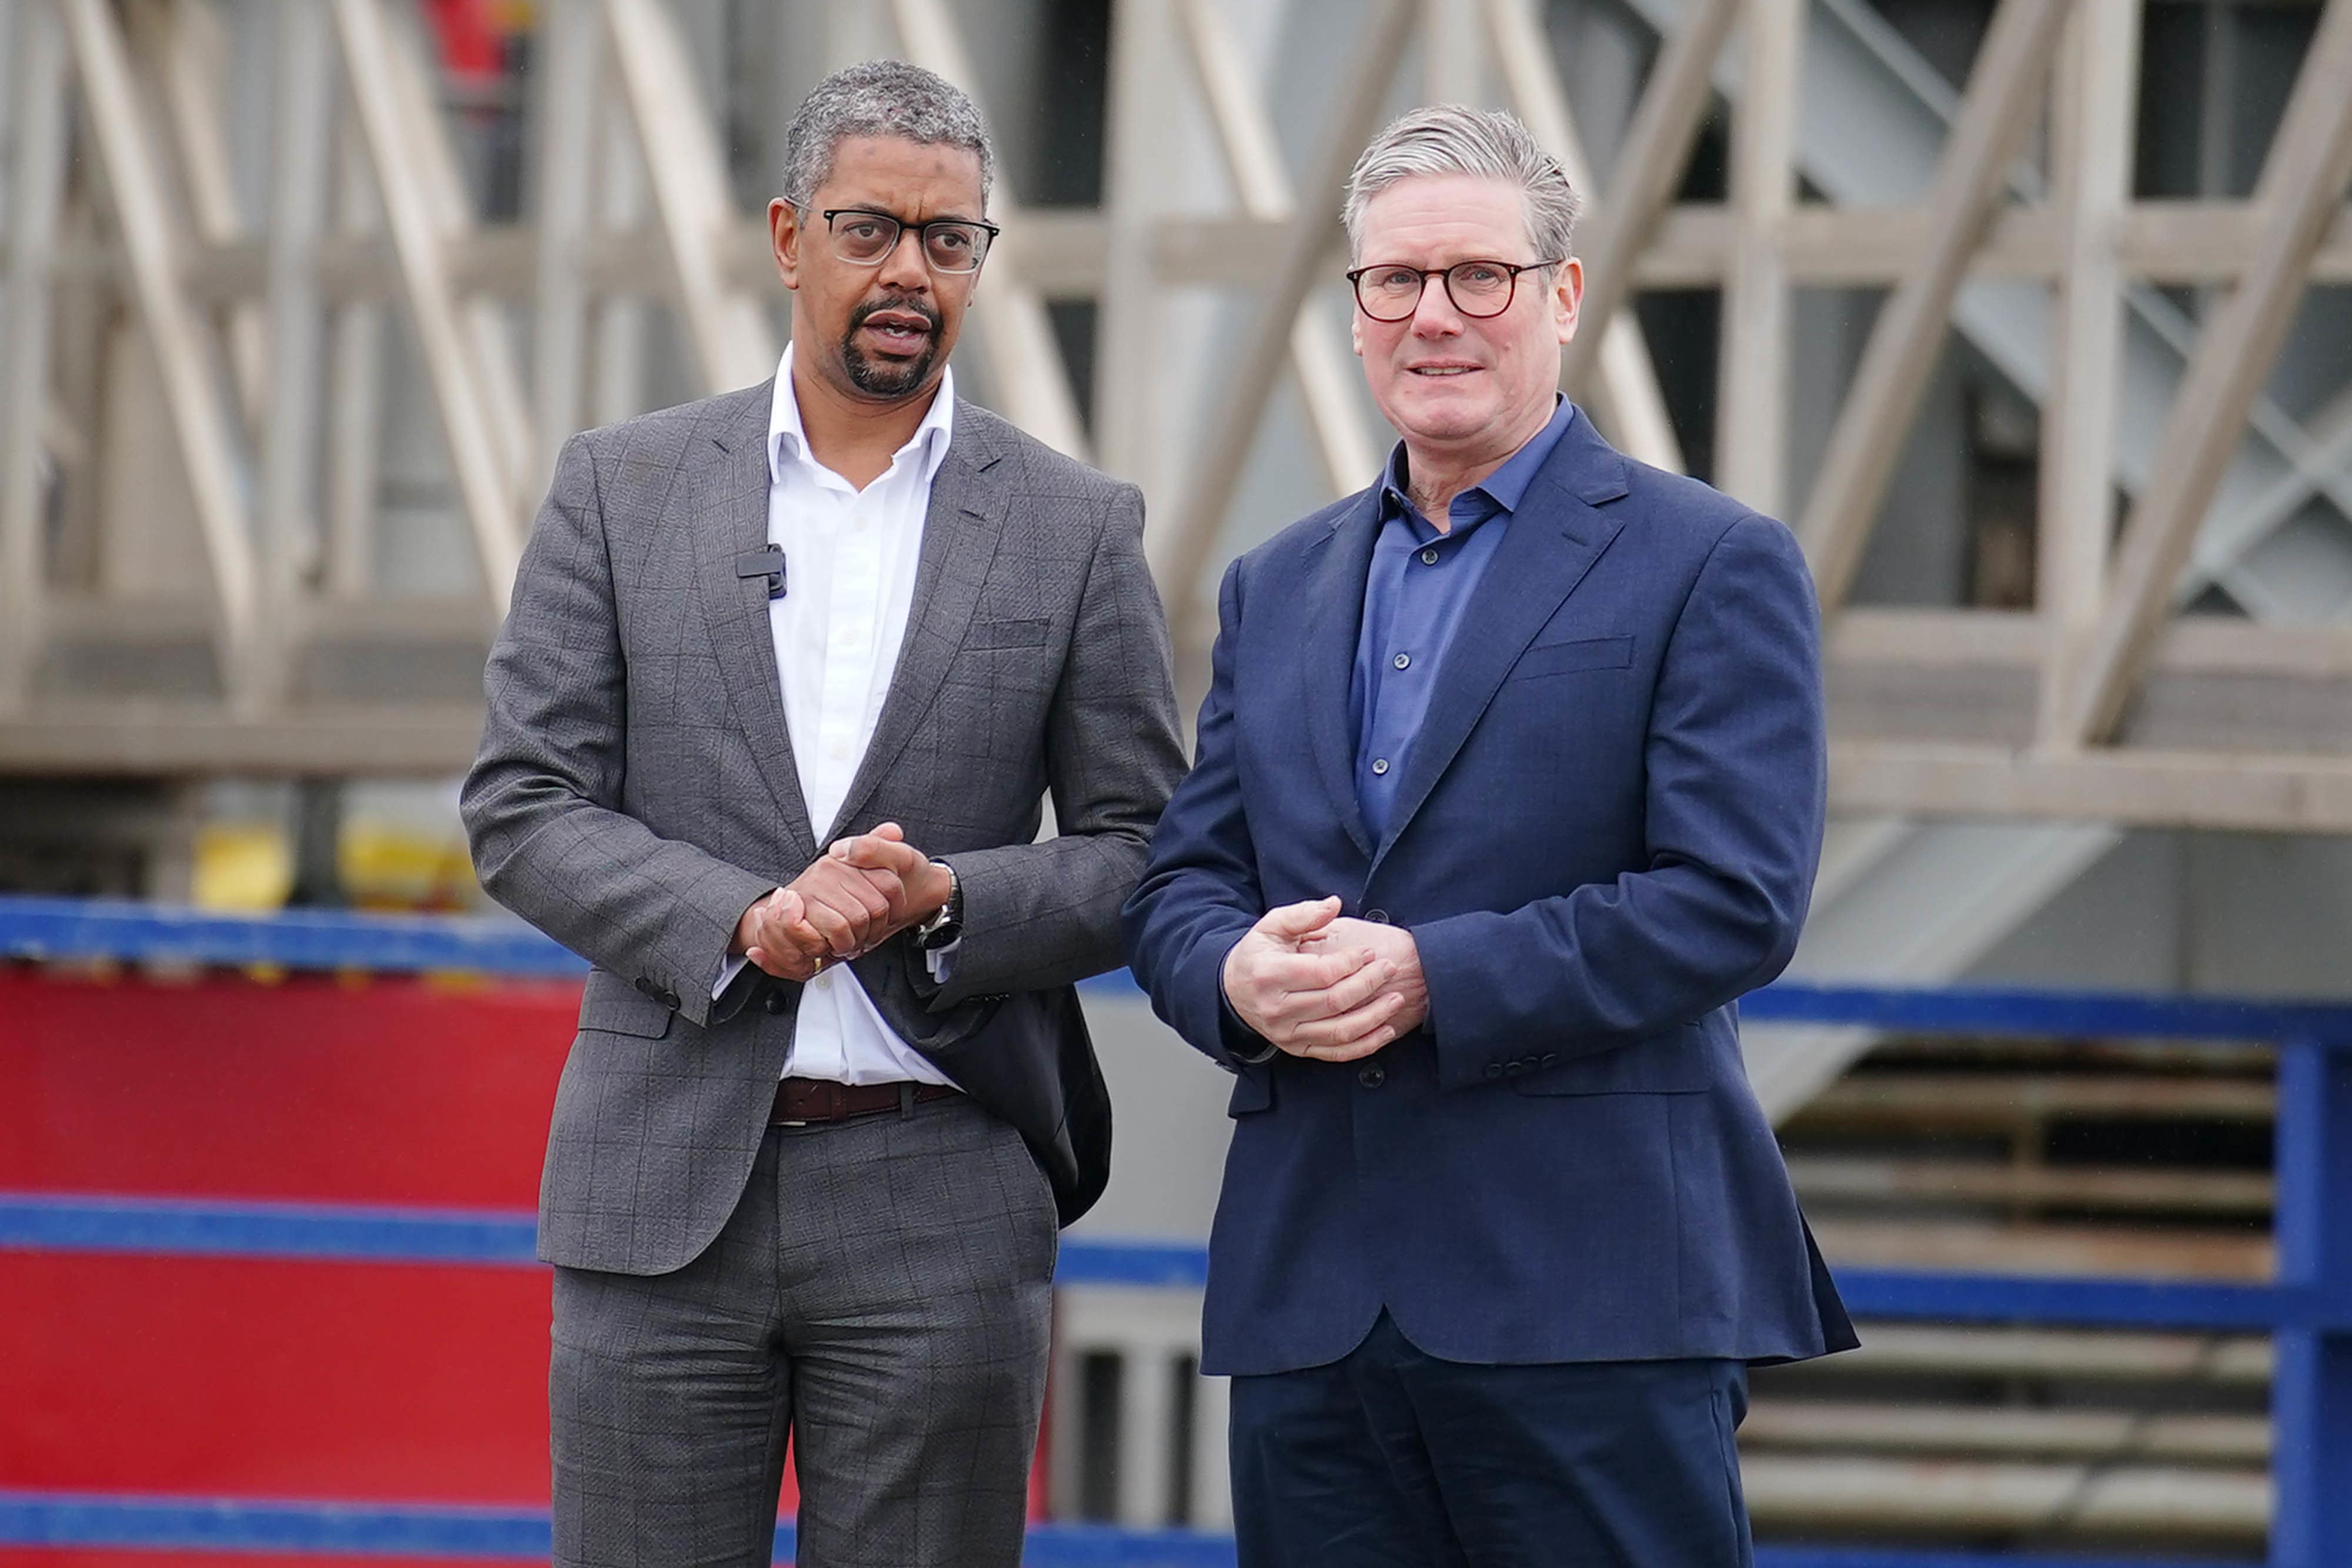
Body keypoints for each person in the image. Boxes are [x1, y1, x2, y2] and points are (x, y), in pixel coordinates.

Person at [462, 59, 1184, 1568]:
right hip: (663, 1197)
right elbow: (522, 800)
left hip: (944, 1186)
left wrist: (950, 901)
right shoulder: (620, 486)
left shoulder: (1073, 525)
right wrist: (742, 920)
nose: (908, 269)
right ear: (790, 235)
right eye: (870, 229)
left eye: (948, 238)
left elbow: (1142, 851)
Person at [1122, 104, 1854, 1567]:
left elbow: (1734, 898)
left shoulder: (1708, 560)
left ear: (1562, 296)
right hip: (1312, 1299)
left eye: (1479, 277)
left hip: (1591, 1299)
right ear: (1352, 311)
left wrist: (1432, 975)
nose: (1431, 316)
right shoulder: (1278, 585)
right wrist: (1230, 979)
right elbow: (1185, 879)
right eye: (1392, 280)